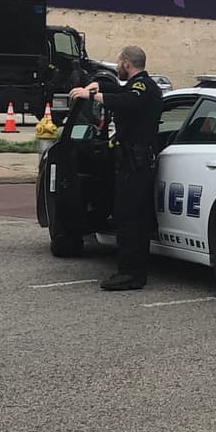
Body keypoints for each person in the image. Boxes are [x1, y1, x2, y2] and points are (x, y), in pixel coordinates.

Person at [69, 45, 163, 291]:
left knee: (130, 219)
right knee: (128, 217)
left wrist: (91, 96)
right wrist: (99, 86)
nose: (118, 67)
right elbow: (121, 91)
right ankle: (131, 270)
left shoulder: (143, 88)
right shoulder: (137, 86)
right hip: (131, 163)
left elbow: (128, 100)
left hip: (136, 164)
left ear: (127, 64)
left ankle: (131, 273)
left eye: (119, 63)